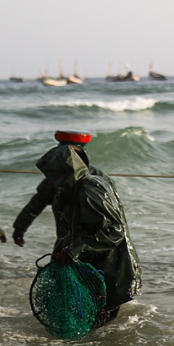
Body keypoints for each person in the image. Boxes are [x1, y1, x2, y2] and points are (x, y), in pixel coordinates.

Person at [34, 143, 142, 326]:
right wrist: (64, 244)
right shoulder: (74, 190)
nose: (50, 181)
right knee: (94, 328)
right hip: (97, 271)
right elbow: (84, 229)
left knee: (98, 327)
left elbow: (114, 231)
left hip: (111, 274)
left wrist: (74, 250)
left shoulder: (90, 189)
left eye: (52, 176)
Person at [12, 131, 103, 248]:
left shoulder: (98, 180)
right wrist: (20, 227)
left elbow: (109, 226)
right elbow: (37, 203)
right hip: (64, 243)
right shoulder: (56, 180)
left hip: (91, 246)